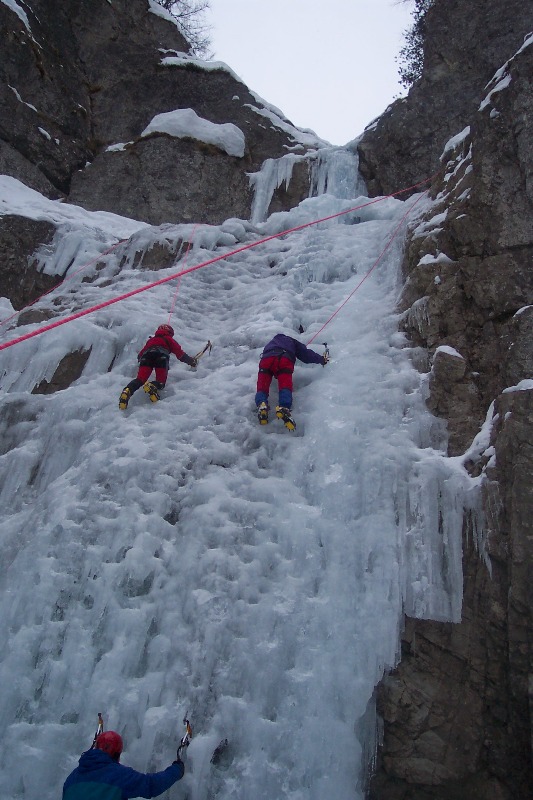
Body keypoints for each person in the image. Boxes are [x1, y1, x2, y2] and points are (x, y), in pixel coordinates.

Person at [62, 730, 185, 799]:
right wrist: (176, 770)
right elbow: (151, 785)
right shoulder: (118, 775)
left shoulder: (71, 779)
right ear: (116, 754)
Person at [255, 333, 328, 430]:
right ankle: (284, 407)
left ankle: (262, 403)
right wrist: (321, 359)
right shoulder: (292, 341)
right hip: (284, 359)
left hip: (266, 359)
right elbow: (306, 355)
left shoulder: (271, 343)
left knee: (262, 385)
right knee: (285, 384)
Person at [119, 324, 198, 409]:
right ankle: (152, 386)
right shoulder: (169, 339)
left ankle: (127, 390)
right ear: (170, 333)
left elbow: (140, 355)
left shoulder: (151, 340)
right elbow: (180, 354)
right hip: (161, 356)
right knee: (161, 382)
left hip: (146, 357)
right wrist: (191, 361)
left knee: (140, 379)